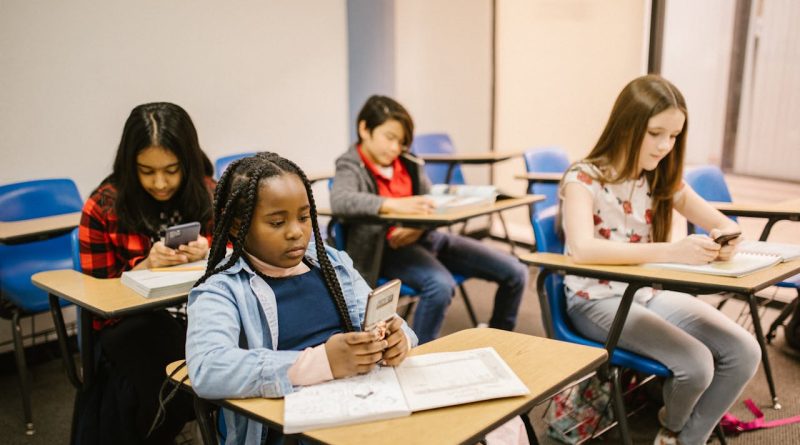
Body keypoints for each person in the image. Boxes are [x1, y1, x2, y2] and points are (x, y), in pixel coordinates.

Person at [559, 75, 761, 445]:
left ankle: (681, 435)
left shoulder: (661, 178)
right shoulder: (582, 178)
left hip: (645, 293)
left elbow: (719, 221)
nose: (666, 145)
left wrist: (725, 239)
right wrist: (670, 251)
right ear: (627, 125)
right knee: (697, 366)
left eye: (674, 136)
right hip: (594, 301)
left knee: (745, 351)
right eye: (656, 133)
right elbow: (583, 249)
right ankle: (674, 427)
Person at [186, 152, 417, 444]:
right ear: (236, 226)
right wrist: (321, 363)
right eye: (276, 222)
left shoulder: (331, 263)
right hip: (285, 429)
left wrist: (399, 339)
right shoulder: (221, 289)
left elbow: (383, 319)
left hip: (359, 406)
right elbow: (208, 368)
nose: (296, 232)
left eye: (304, 217)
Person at [330, 95, 529, 344]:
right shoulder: (350, 165)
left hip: (427, 238)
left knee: (516, 272)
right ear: (364, 129)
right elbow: (342, 200)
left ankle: (500, 337)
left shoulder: (408, 163)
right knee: (440, 286)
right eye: (389, 137)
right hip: (387, 250)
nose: (395, 148)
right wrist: (394, 205)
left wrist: (418, 227)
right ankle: (417, 353)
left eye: (401, 141)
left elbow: (431, 203)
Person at [78, 102, 215, 444]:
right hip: (135, 322)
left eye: (172, 169)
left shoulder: (208, 192)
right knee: (155, 365)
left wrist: (210, 251)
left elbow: (246, 262)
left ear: (189, 160)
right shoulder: (103, 207)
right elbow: (97, 303)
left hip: (204, 310)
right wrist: (143, 267)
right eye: (146, 171)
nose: (160, 183)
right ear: (129, 165)